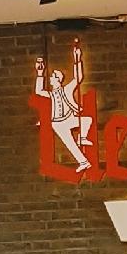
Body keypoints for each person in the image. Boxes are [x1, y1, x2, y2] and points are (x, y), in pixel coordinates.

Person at [34, 40, 93, 173]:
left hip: (68, 118)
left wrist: (77, 60)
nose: (50, 79)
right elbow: (39, 91)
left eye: (52, 77)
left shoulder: (66, 90)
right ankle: (84, 162)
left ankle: (82, 138)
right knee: (69, 143)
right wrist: (39, 74)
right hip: (57, 123)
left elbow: (78, 77)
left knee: (87, 120)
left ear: (57, 79)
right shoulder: (50, 94)